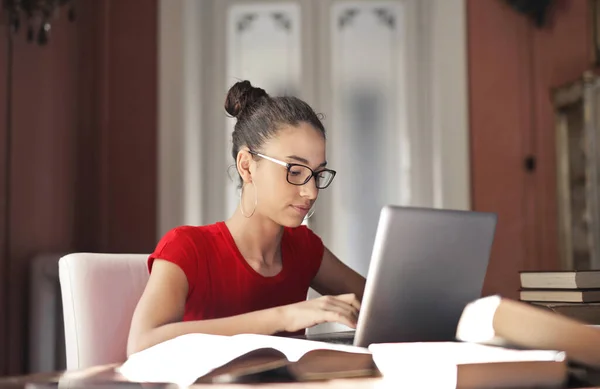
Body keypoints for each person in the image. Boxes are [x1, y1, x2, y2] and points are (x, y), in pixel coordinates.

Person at [127, 80, 366, 356]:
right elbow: (142, 343)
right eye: (295, 170)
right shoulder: (187, 248)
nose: (311, 191)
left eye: (317, 174)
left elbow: (385, 307)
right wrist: (282, 317)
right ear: (247, 166)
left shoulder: (304, 248)